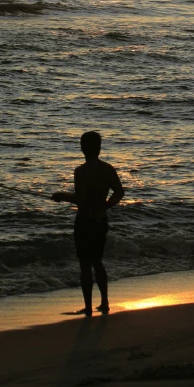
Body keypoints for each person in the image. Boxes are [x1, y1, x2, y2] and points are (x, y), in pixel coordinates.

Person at [52, 131, 124, 316]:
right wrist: (105, 207)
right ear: (99, 148)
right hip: (100, 221)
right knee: (97, 262)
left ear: (83, 148)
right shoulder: (108, 169)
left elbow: (80, 199)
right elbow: (119, 192)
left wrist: (62, 196)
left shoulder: (81, 171)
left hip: (84, 221)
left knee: (85, 264)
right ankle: (105, 303)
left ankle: (88, 307)